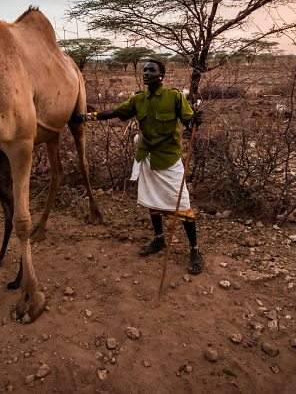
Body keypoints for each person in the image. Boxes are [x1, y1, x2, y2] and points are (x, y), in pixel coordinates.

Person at [72, 60, 204, 274]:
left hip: (169, 159)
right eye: (144, 70)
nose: (146, 73)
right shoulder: (138, 100)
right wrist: (84, 117)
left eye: (151, 70)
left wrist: (195, 121)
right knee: (152, 200)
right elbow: (114, 112)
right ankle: (159, 239)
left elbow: (189, 123)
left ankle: (194, 250)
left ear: (162, 75)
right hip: (148, 156)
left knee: (183, 203)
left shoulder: (174, 96)